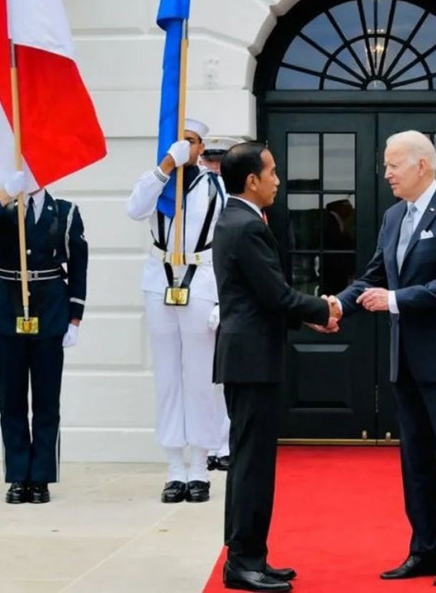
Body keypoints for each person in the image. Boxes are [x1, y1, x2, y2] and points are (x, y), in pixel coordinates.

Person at [333, 130, 436, 587]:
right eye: (386, 165)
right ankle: (424, 551)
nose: (387, 173)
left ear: (422, 165)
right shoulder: (394, 215)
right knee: (414, 461)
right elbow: (375, 273)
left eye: (394, 164)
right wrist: (336, 305)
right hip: (405, 360)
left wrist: (395, 300)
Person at [213, 141, 339, 592]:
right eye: (272, 173)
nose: (278, 180)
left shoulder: (241, 220)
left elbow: (271, 298)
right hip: (251, 360)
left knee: (257, 461)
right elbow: (277, 295)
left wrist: (309, 315)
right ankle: (242, 562)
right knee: (250, 463)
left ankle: (253, 557)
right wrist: (323, 309)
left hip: (252, 356)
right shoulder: (245, 226)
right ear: (252, 180)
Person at [0, 169, 87, 504]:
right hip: (8, 309)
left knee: (47, 400)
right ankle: (18, 476)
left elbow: (79, 265)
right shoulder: (1, 206)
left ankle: (42, 477)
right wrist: (4, 193)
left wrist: (75, 318)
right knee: (11, 399)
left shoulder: (65, 211)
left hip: (50, 309)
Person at [126, 119, 232, 503]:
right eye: (179, 141)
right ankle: (174, 466)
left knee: (201, 378)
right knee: (168, 377)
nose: (184, 147)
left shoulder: (215, 185)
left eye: (190, 142)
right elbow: (134, 209)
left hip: (201, 280)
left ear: (202, 147)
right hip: (160, 280)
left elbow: (227, 243)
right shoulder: (157, 178)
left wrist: (224, 298)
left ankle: (200, 465)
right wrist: (165, 166)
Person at [197, 135, 242, 473]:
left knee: (227, 376)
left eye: (220, 161)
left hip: (225, 293)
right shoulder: (193, 195)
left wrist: (223, 303)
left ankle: (225, 443)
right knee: (202, 379)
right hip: (196, 289)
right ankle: (208, 444)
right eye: (209, 160)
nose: (214, 167)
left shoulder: (237, 201)